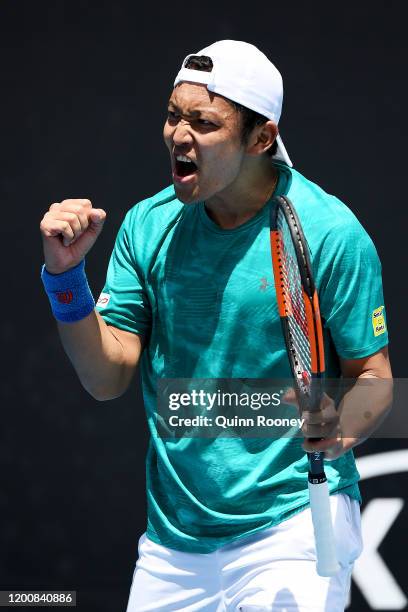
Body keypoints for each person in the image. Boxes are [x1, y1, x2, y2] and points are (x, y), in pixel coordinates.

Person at [40, 40, 392, 611]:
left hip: (295, 524)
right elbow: (106, 378)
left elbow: (374, 378)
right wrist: (66, 279)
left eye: (204, 122)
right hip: (173, 542)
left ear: (262, 137)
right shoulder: (148, 226)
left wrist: (341, 425)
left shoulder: (329, 233)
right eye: (174, 115)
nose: (179, 135)